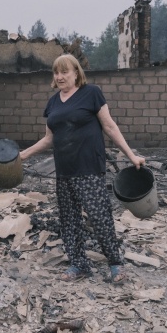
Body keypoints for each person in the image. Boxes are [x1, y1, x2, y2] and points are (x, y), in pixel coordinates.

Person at [19, 54, 146, 284]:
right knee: (69, 220)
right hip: (64, 171)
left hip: (89, 168)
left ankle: (115, 264)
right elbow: (49, 139)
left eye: (65, 72)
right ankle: (79, 264)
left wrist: (131, 155)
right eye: (56, 72)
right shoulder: (53, 103)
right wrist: (22, 155)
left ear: (76, 73)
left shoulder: (92, 93)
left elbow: (109, 126)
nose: (59, 76)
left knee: (99, 216)